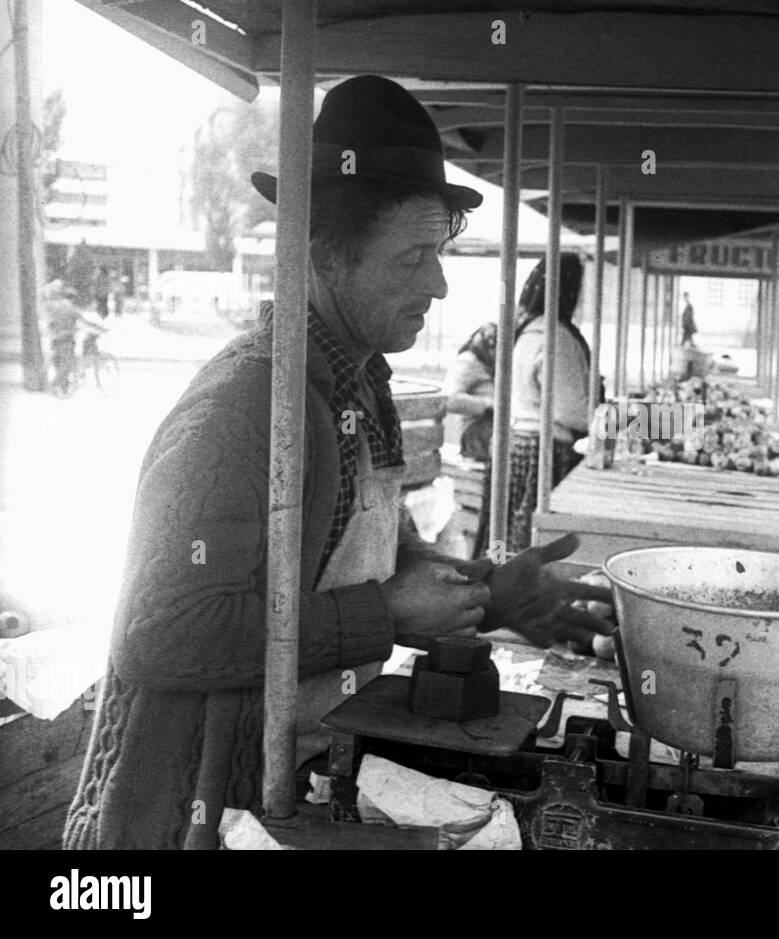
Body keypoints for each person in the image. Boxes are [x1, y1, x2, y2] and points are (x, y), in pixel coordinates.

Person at [64, 76, 611, 851]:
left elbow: (377, 560)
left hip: (296, 781)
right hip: (193, 817)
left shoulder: (360, 383)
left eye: (439, 251)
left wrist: (489, 594)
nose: (438, 283)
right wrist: (386, 615)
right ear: (323, 253)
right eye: (413, 255)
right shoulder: (243, 409)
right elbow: (160, 631)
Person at [486, 253, 591, 556]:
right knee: (530, 542)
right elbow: (573, 411)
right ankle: (515, 582)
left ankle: (499, 577)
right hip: (542, 451)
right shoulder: (555, 337)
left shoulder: (526, 329)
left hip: (517, 442)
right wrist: (653, 422)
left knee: (507, 536)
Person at [443, 321, 498, 463]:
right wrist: (489, 405)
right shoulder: (469, 362)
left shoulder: (492, 365)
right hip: (476, 429)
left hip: (492, 427)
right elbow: (449, 399)